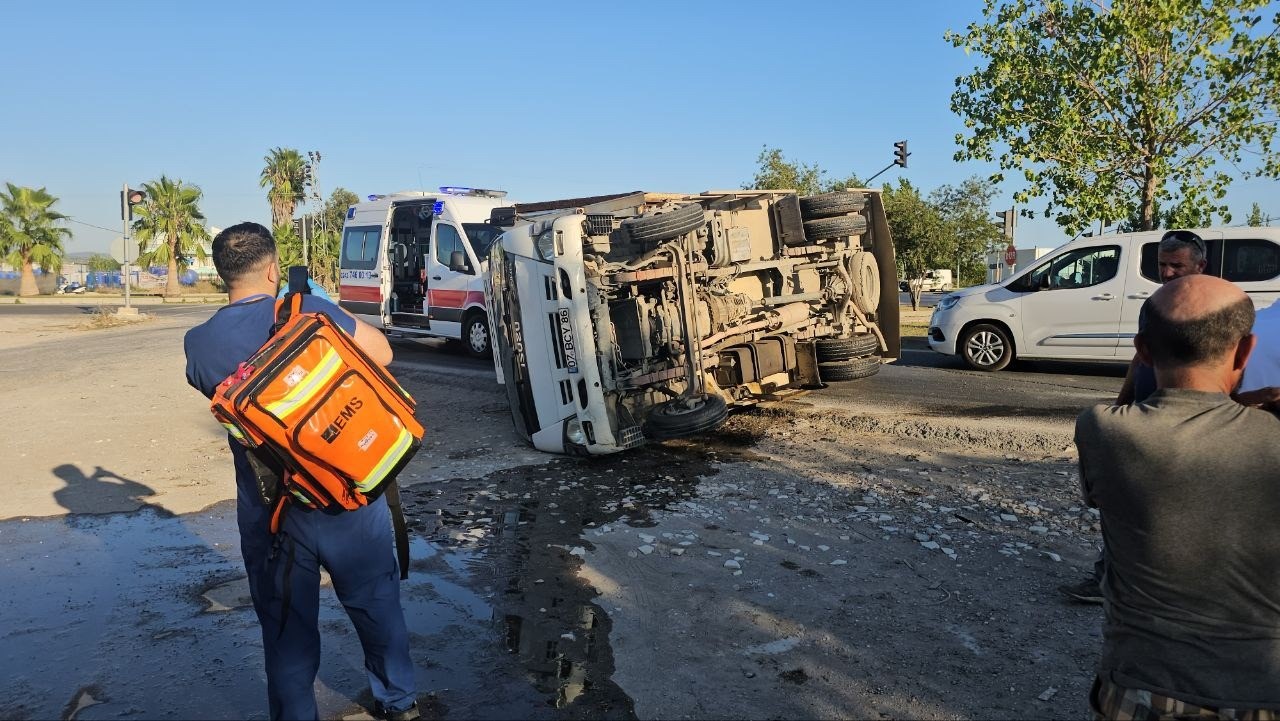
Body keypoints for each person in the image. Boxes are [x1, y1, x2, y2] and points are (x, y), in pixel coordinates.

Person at [184, 222, 418, 721]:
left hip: (273, 512)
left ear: (223, 275)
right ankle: (398, 704)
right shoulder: (306, 310)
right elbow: (383, 353)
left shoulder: (198, 344)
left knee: (287, 632)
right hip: (348, 494)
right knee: (377, 607)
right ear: (273, 267)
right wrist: (322, 306)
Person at [1075, 274, 1280, 718]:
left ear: (1143, 350)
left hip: (1142, 688)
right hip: (1262, 688)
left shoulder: (1102, 430)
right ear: (1245, 349)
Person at [1059, 229, 1208, 604]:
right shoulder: (1154, 306)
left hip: (1189, 426)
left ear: (1200, 266)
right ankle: (1107, 579)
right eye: (1162, 265)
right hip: (1144, 418)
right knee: (1125, 506)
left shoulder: (1211, 310)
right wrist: (1121, 403)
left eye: (1178, 265)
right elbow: (1140, 358)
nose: (1168, 273)